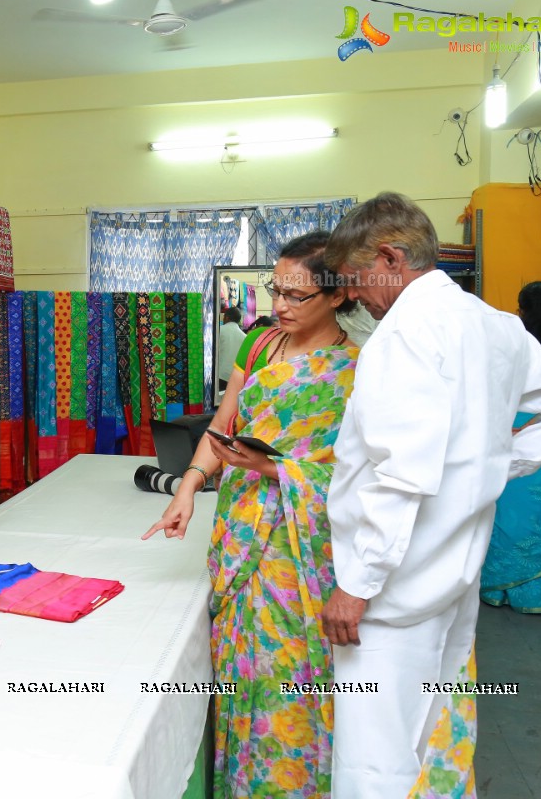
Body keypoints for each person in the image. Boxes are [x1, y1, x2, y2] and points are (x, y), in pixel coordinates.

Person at [320, 193, 541, 799]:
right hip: (457, 574)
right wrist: (493, 464)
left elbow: (400, 473)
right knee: (429, 734)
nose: (355, 297)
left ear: (390, 256)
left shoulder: (402, 335)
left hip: (393, 584)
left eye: (357, 280)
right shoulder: (497, 327)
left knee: (374, 755)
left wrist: (357, 585)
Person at [145, 231, 359, 799]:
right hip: (240, 530)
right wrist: (188, 487)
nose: (280, 307)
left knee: (288, 673)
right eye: (275, 291)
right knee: (240, 667)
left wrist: (272, 471)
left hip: (300, 546)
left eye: (296, 296)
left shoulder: (358, 370)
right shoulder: (260, 347)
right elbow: (223, 426)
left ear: (337, 296)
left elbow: (359, 478)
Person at [482, 281, 541, 613]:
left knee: (504, 513)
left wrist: (516, 426)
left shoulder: (510, 345)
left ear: (520, 309)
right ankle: (536, 596)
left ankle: (496, 590)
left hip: (508, 436)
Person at [217, 306, 246, 391]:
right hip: (235, 376)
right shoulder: (244, 337)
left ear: (227, 317)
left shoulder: (219, 330)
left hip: (219, 375)